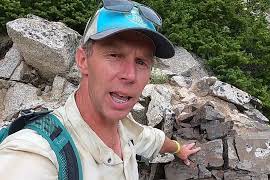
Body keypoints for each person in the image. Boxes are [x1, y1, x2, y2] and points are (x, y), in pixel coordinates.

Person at [0, 0, 200, 179]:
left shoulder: (124, 128)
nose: (130, 75)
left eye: (141, 62)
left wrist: (179, 149)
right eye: (114, 55)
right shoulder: (35, 153)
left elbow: (151, 139)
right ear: (83, 60)